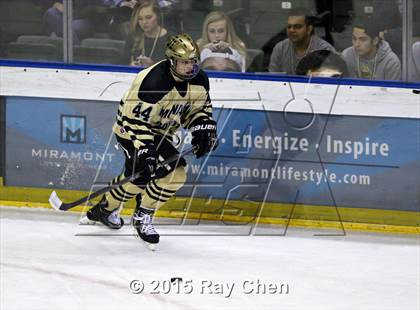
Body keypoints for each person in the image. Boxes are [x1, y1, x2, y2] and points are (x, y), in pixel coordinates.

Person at [85, 33, 218, 248]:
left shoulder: (200, 80)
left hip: (159, 133)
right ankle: (109, 210)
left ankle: (116, 211)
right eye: (184, 62)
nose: (190, 67)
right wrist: (146, 150)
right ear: (172, 61)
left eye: (193, 61)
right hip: (131, 130)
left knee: (170, 173)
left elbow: (198, 110)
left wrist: (203, 127)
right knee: (141, 176)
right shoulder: (153, 80)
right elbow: (133, 118)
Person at [268, 8, 335, 75]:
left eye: (297, 27)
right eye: (289, 26)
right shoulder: (280, 48)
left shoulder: (325, 50)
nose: (292, 30)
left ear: (309, 29)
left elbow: (330, 82)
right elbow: (273, 79)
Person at [124, 0, 171, 67]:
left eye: (148, 17)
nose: (144, 22)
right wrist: (130, 66)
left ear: (158, 16)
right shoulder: (134, 36)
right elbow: (122, 62)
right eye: (140, 19)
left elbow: (176, 71)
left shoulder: (171, 40)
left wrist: (153, 66)